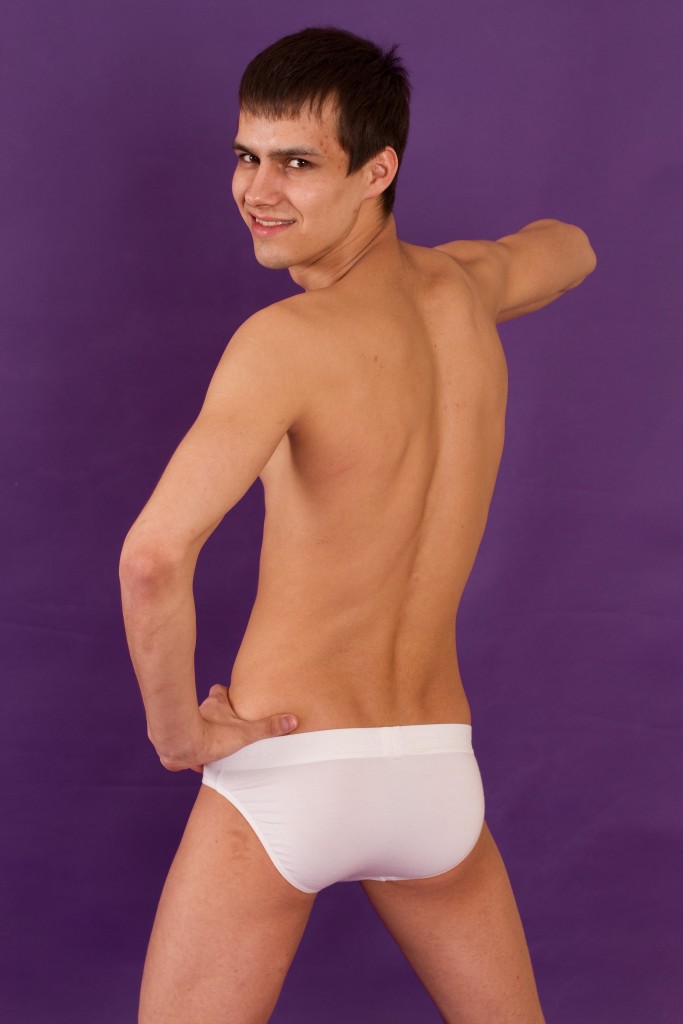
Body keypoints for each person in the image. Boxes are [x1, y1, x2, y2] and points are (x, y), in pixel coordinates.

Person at [119, 25, 596, 1024]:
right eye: (247, 155)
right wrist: (467, 273)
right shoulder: (466, 288)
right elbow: (571, 248)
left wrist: (178, 733)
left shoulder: (283, 342)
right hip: (433, 769)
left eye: (297, 163)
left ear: (377, 170)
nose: (258, 191)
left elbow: (155, 556)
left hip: (289, 765)